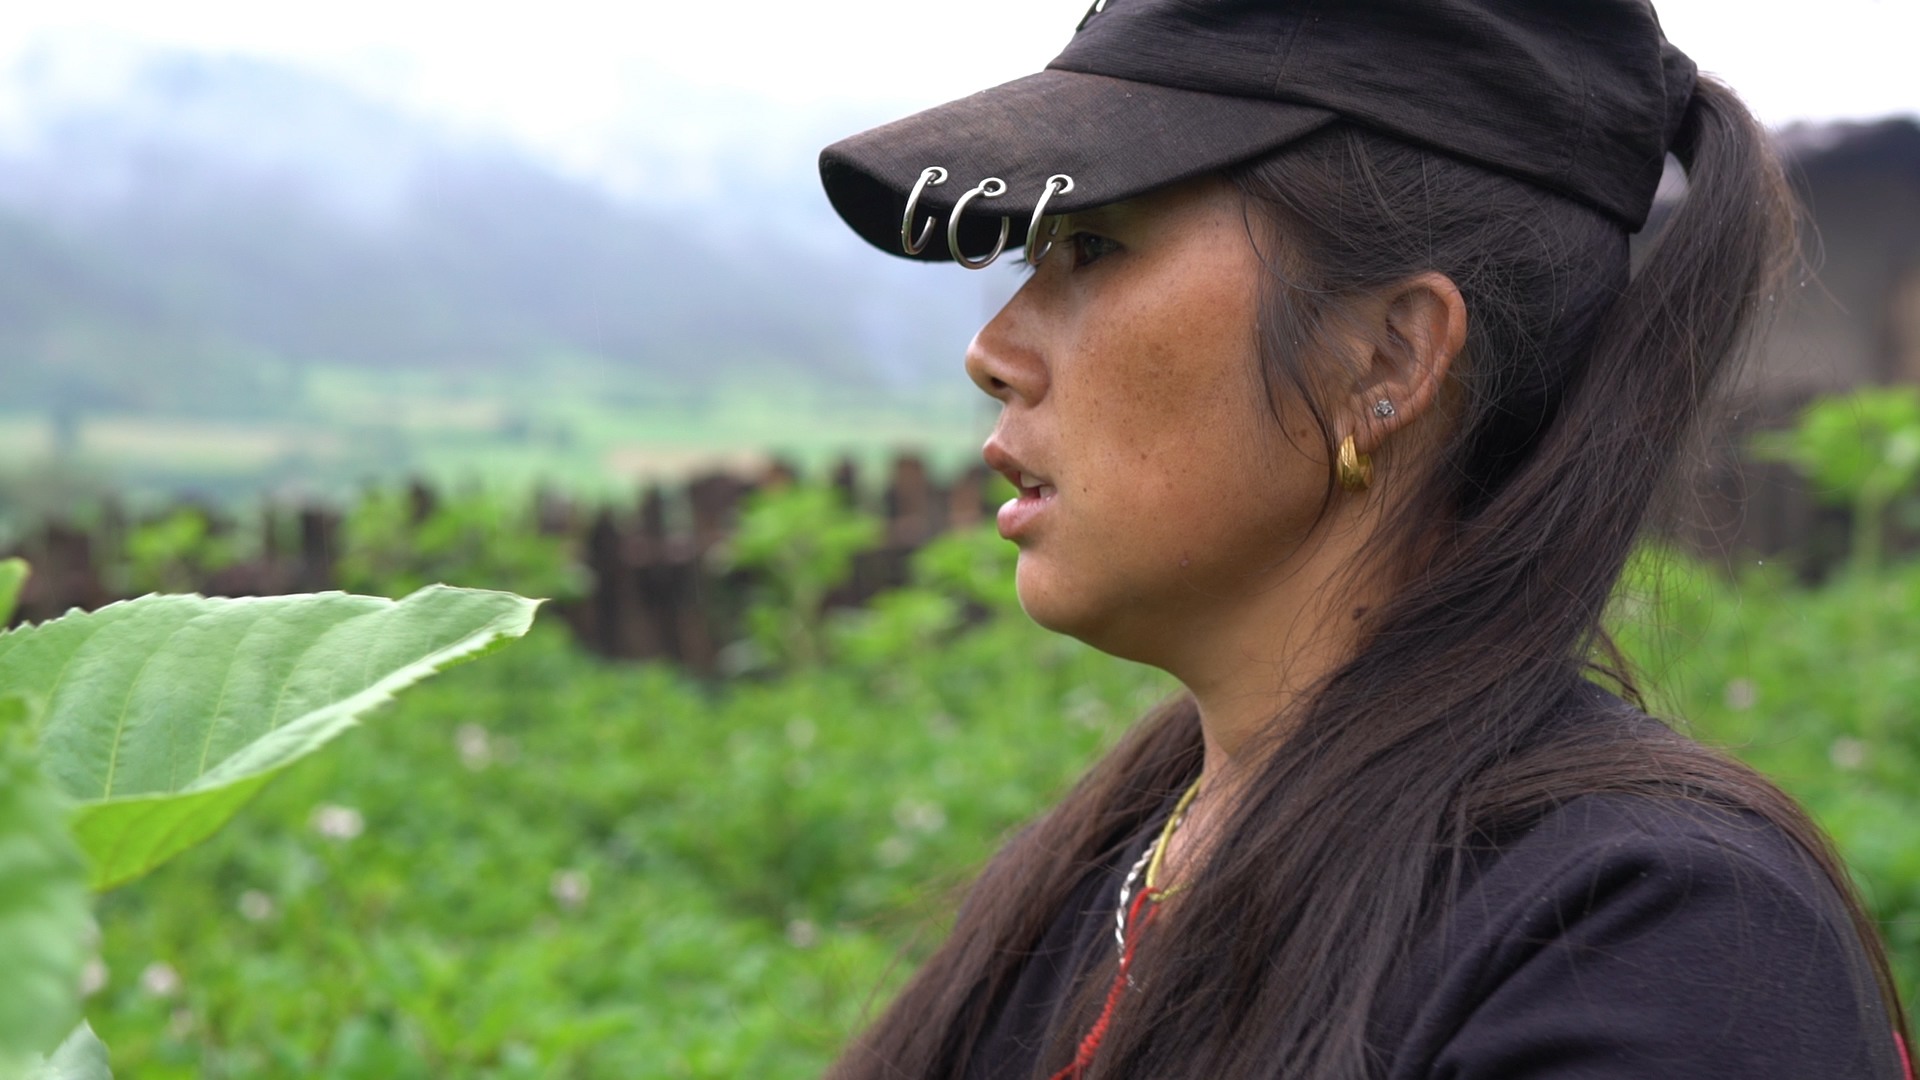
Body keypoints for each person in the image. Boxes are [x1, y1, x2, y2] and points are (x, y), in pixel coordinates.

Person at [816, 2, 1913, 1078]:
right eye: (1032, 256)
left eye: (1093, 247)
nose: (993, 349)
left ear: (1388, 361)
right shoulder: (1103, 871)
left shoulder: (1651, 945)